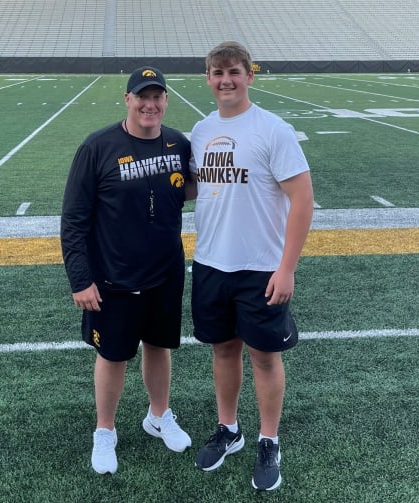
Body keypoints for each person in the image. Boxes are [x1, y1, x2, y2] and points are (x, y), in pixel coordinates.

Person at [189, 41, 314, 491]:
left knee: (264, 356)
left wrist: (287, 268)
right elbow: (192, 188)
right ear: (208, 78)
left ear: (249, 76)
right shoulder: (201, 132)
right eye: (218, 72)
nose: (226, 80)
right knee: (222, 350)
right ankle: (229, 430)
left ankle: (268, 439)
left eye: (234, 72)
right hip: (210, 264)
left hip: (261, 267)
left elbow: (303, 198)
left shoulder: (272, 129)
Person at [61, 66, 195, 475]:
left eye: (157, 96)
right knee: (113, 354)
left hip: (166, 270)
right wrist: (80, 279)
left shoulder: (177, 142)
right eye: (142, 96)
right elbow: (73, 220)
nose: (150, 104)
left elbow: (190, 189)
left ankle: (158, 415)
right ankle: (105, 430)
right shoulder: (97, 146)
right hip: (113, 276)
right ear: (127, 100)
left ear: (166, 100)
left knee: (159, 346)